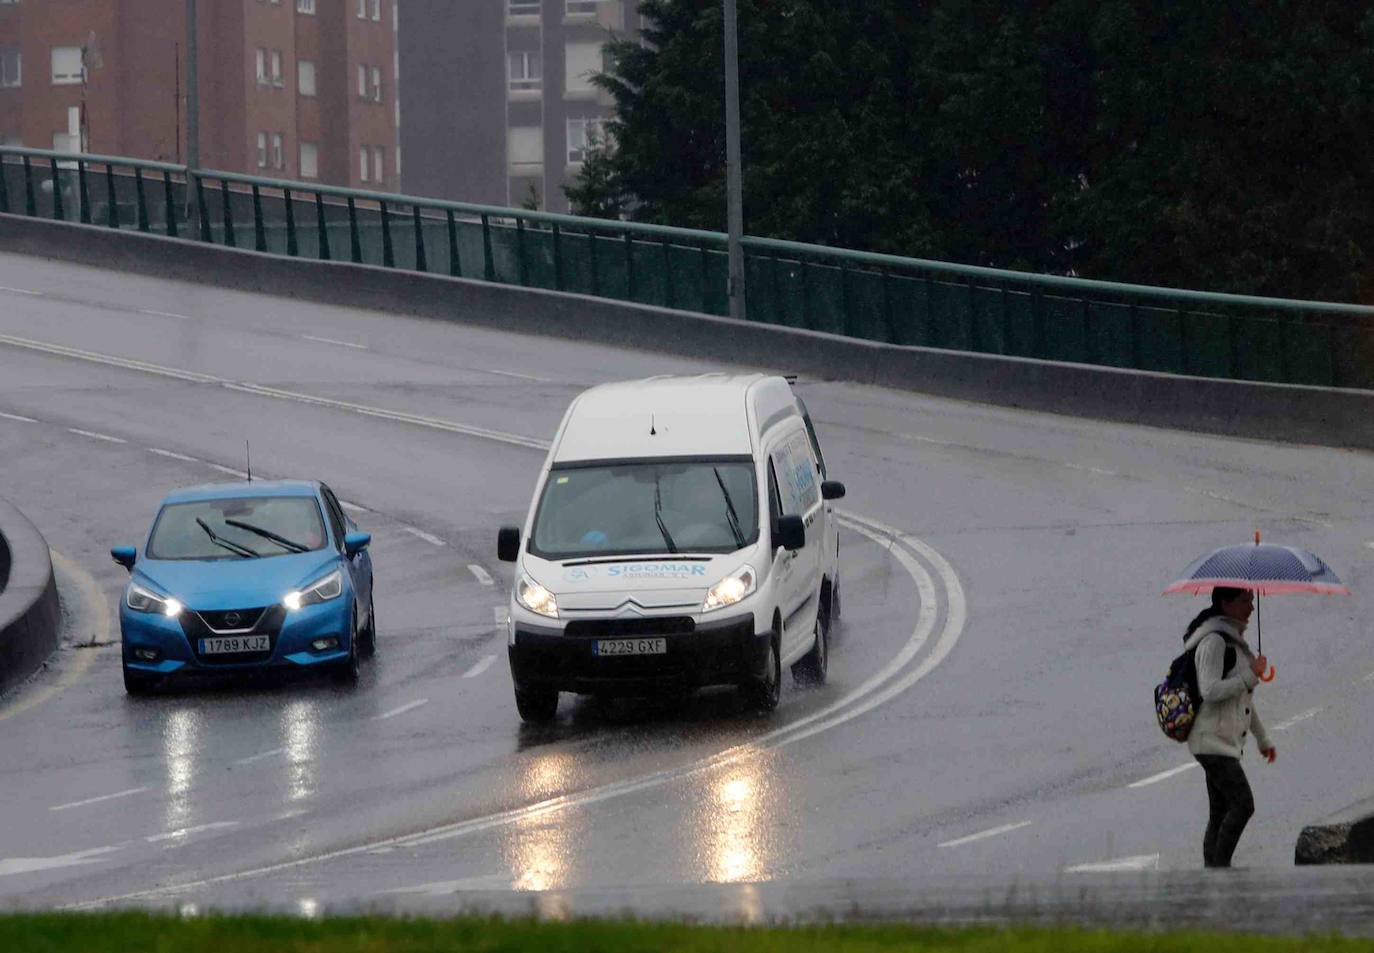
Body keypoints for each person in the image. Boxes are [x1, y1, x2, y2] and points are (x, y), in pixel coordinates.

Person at [1181, 586, 1275, 868]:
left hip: (1221, 741)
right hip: (1211, 741)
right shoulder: (1214, 642)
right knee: (1243, 804)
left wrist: (1263, 739)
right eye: (1245, 600)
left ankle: (1213, 872)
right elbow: (1209, 690)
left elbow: (1242, 700)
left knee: (1220, 812)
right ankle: (1220, 870)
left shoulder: (1234, 643)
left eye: (1252, 600)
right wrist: (1250, 675)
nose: (1251, 607)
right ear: (1226, 603)